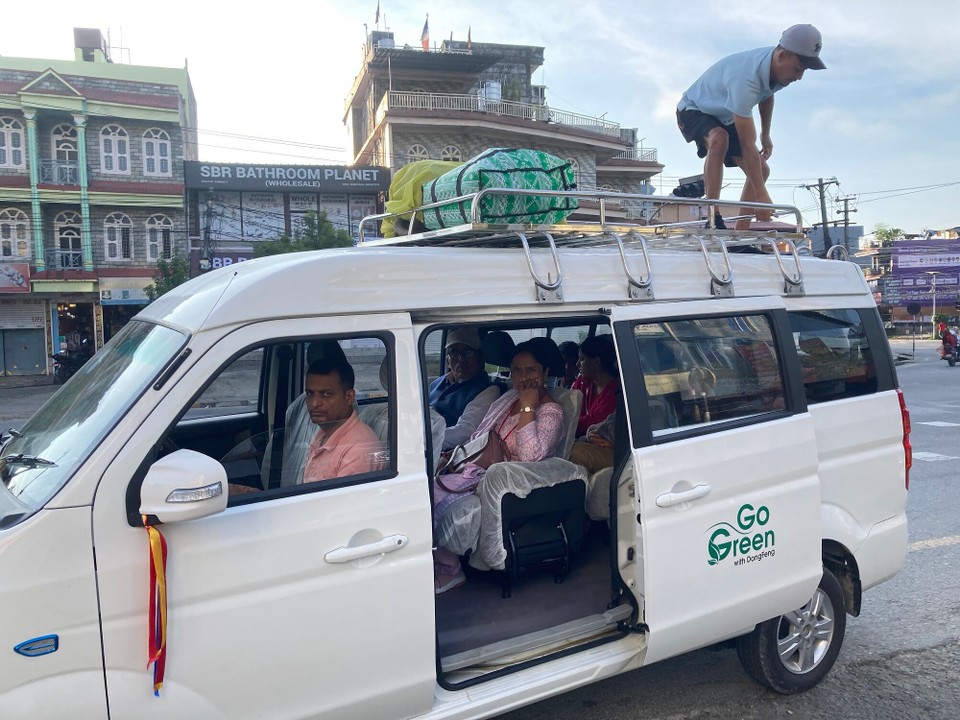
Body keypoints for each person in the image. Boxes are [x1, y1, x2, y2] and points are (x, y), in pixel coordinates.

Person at [433, 340, 565, 594]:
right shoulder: (506, 399)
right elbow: (481, 435)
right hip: (478, 468)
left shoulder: (551, 412)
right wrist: (452, 456)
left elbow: (530, 456)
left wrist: (528, 405)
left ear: (545, 373)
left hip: (509, 484)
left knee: (436, 493)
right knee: (428, 485)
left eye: (530, 370)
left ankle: (450, 570)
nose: (523, 377)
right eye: (517, 370)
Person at [676, 24, 826, 230]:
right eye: (798, 69)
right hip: (693, 108)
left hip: (724, 114)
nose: (799, 77)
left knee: (761, 171)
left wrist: (766, 135)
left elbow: (767, 93)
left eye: (804, 71)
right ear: (782, 56)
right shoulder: (745, 81)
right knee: (719, 139)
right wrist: (761, 196)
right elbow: (747, 145)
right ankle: (712, 216)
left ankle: (740, 234)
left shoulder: (777, 68)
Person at [300, 356, 384, 483]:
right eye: (310, 393)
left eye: (327, 394)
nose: (314, 403)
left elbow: (342, 503)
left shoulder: (358, 450)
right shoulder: (324, 433)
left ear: (349, 397)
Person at [429, 328, 501, 449]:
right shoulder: (436, 383)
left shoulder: (488, 391)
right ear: (447, 360)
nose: (461, 359)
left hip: (447, 453)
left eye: (468, 352)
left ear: (480, 358)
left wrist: (424, 440)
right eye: (454, 353)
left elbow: (464, 432)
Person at [571, 335, 620, 438]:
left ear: (597, 361)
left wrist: (565, 424)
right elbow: (569, 406)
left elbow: (592, 422)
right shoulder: (582, 382)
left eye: (582, 359)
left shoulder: (615, 392)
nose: (577, 364)